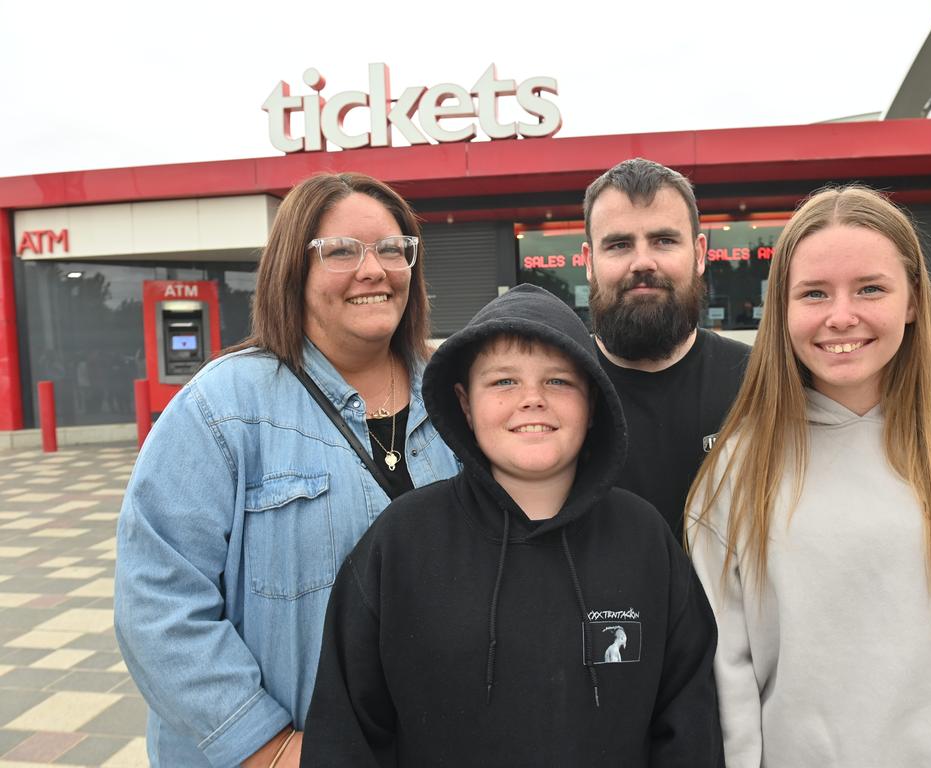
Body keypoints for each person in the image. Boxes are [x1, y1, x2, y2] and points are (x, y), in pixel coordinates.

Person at [114, 172, 459, 767]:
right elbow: (158, 603)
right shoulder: (221, 409)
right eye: (341, 251)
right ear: (291, 272)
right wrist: (268, 748)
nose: (372, 269)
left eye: (392, 248)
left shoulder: (460, 393)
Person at [301, 284, 724, 767]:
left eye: (559, 382)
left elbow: (689, 727)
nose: (532, 400)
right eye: (503, 382)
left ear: (593, 403)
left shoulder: (645, 540)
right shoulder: (400, 543)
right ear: (464, 403)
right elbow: (345, 734)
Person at [686, 185, 931, 766]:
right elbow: (727, 676)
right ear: (783, 311)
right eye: (814, 293)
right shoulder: (740, 470)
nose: (841, 316)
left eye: (871, 288)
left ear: (913, 300)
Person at [582, 158, 749, 539]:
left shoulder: (758, 383)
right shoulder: (557, 388)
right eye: (619, 244)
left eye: (664, 241)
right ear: (589, 262)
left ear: (700, 253)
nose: (643, 262)